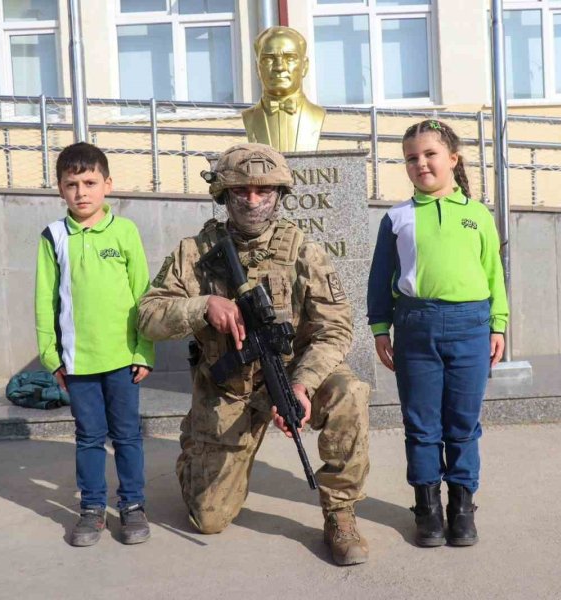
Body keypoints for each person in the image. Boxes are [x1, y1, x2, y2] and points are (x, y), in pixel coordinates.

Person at [137, 143, 371, 566]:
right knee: (208, 518)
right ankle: (197, 446)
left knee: (350, 392)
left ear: (279, 195)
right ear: (223, 194)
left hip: (290, 374)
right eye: (241, 190)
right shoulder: (194, 253)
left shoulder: (304, 251)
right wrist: (203, 306)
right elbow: (148, 315)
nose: (252, 199)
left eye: (264, 190)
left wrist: (302, 386)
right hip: (229, 387)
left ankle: (341, 513)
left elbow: (335, 329)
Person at [367, 119, 509, 548]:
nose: (421, 163)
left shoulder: (477, 215)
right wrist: (380, 328)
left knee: (462, 423)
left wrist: (498, 323)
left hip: (471, 327)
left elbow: (493, 273)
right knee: (421, 424)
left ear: (452, 158)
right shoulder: (397, 218)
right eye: (411, 158)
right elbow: (380, 278)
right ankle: (427, 509)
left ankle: (461, 509)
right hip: (416, 327)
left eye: (430, 154)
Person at [35, 142, 155, 547]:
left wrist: (144, 351)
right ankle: (91, 508)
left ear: (107, 184)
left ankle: (133, 505)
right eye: (72, 184)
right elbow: (44, 301)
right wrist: (52, 357)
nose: (81, 192)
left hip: (122, 359)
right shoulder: (53, 237)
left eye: (89, 183)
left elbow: (143, 295)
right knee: (88, 437)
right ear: (60, 189)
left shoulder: (125, 231)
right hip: (78, 363)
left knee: (127, 436)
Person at [242, 26, 326, 152]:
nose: (280, 67)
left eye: (290, 58)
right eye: (268, 59)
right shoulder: (248, 118)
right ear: (257, 67)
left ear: (305, 66)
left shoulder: (319, 116)